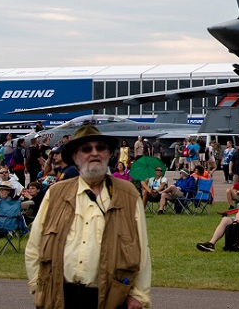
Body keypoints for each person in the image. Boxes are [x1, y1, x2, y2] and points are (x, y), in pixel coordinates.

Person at [25, 125, 151, 309]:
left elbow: (142, 249)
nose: (94, 153)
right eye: (86, 149)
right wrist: (39, 287)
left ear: (109, 155)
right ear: (75, 157)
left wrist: (139, 295)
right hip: (60, 296)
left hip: (111, 298)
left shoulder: (128, 194)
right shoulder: (56, 193)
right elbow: (34, 245)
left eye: (100, 148)